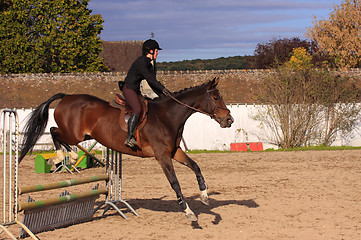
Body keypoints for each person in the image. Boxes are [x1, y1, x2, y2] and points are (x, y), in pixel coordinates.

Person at [121, 39, 170, 147]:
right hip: (129, 89)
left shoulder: (149, 64)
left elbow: (152, 84)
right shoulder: (141, 62)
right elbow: (151, 80)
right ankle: (129, 137)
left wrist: (164, 97)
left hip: (135, 91)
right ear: (151, 51)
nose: (158, 53)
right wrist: (164, 89)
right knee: (137, 109)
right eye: (157, 51)